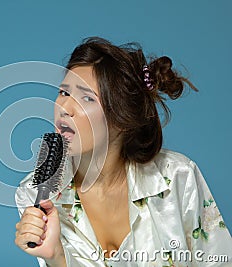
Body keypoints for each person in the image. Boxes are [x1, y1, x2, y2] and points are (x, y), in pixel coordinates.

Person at [14, 37, 232, 266]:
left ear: (122, 119)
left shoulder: (177, 177)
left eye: (87, 98)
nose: (65, 108)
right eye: (64, 93)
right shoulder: (36, 195)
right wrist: (57, 256)